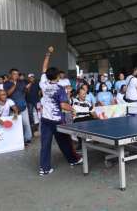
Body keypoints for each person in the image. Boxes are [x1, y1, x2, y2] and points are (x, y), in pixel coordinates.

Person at [39, 46, 82, 176]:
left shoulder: (43, 83)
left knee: (45, 145)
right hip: (57, 121)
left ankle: (44, 169)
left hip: (45, 120)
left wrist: (48, 54)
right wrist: (73, 108)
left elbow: (44, 69)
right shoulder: (59, 88)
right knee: (64, 141)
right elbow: (63, 105)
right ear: (57, 76)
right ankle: (73, 160)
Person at [4, 68, 32, 144]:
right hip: (13, 109)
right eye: (14, 74)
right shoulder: (6, 83)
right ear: (10, 75)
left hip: (23, 107)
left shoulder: (22, 82)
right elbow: (7, 94)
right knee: (14, 125)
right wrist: (14, 85)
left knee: (26, 124)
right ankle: (16, 140)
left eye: (17, 74)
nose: (16, 75)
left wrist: (27, 88)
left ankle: (28, 139)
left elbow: (26, 92)